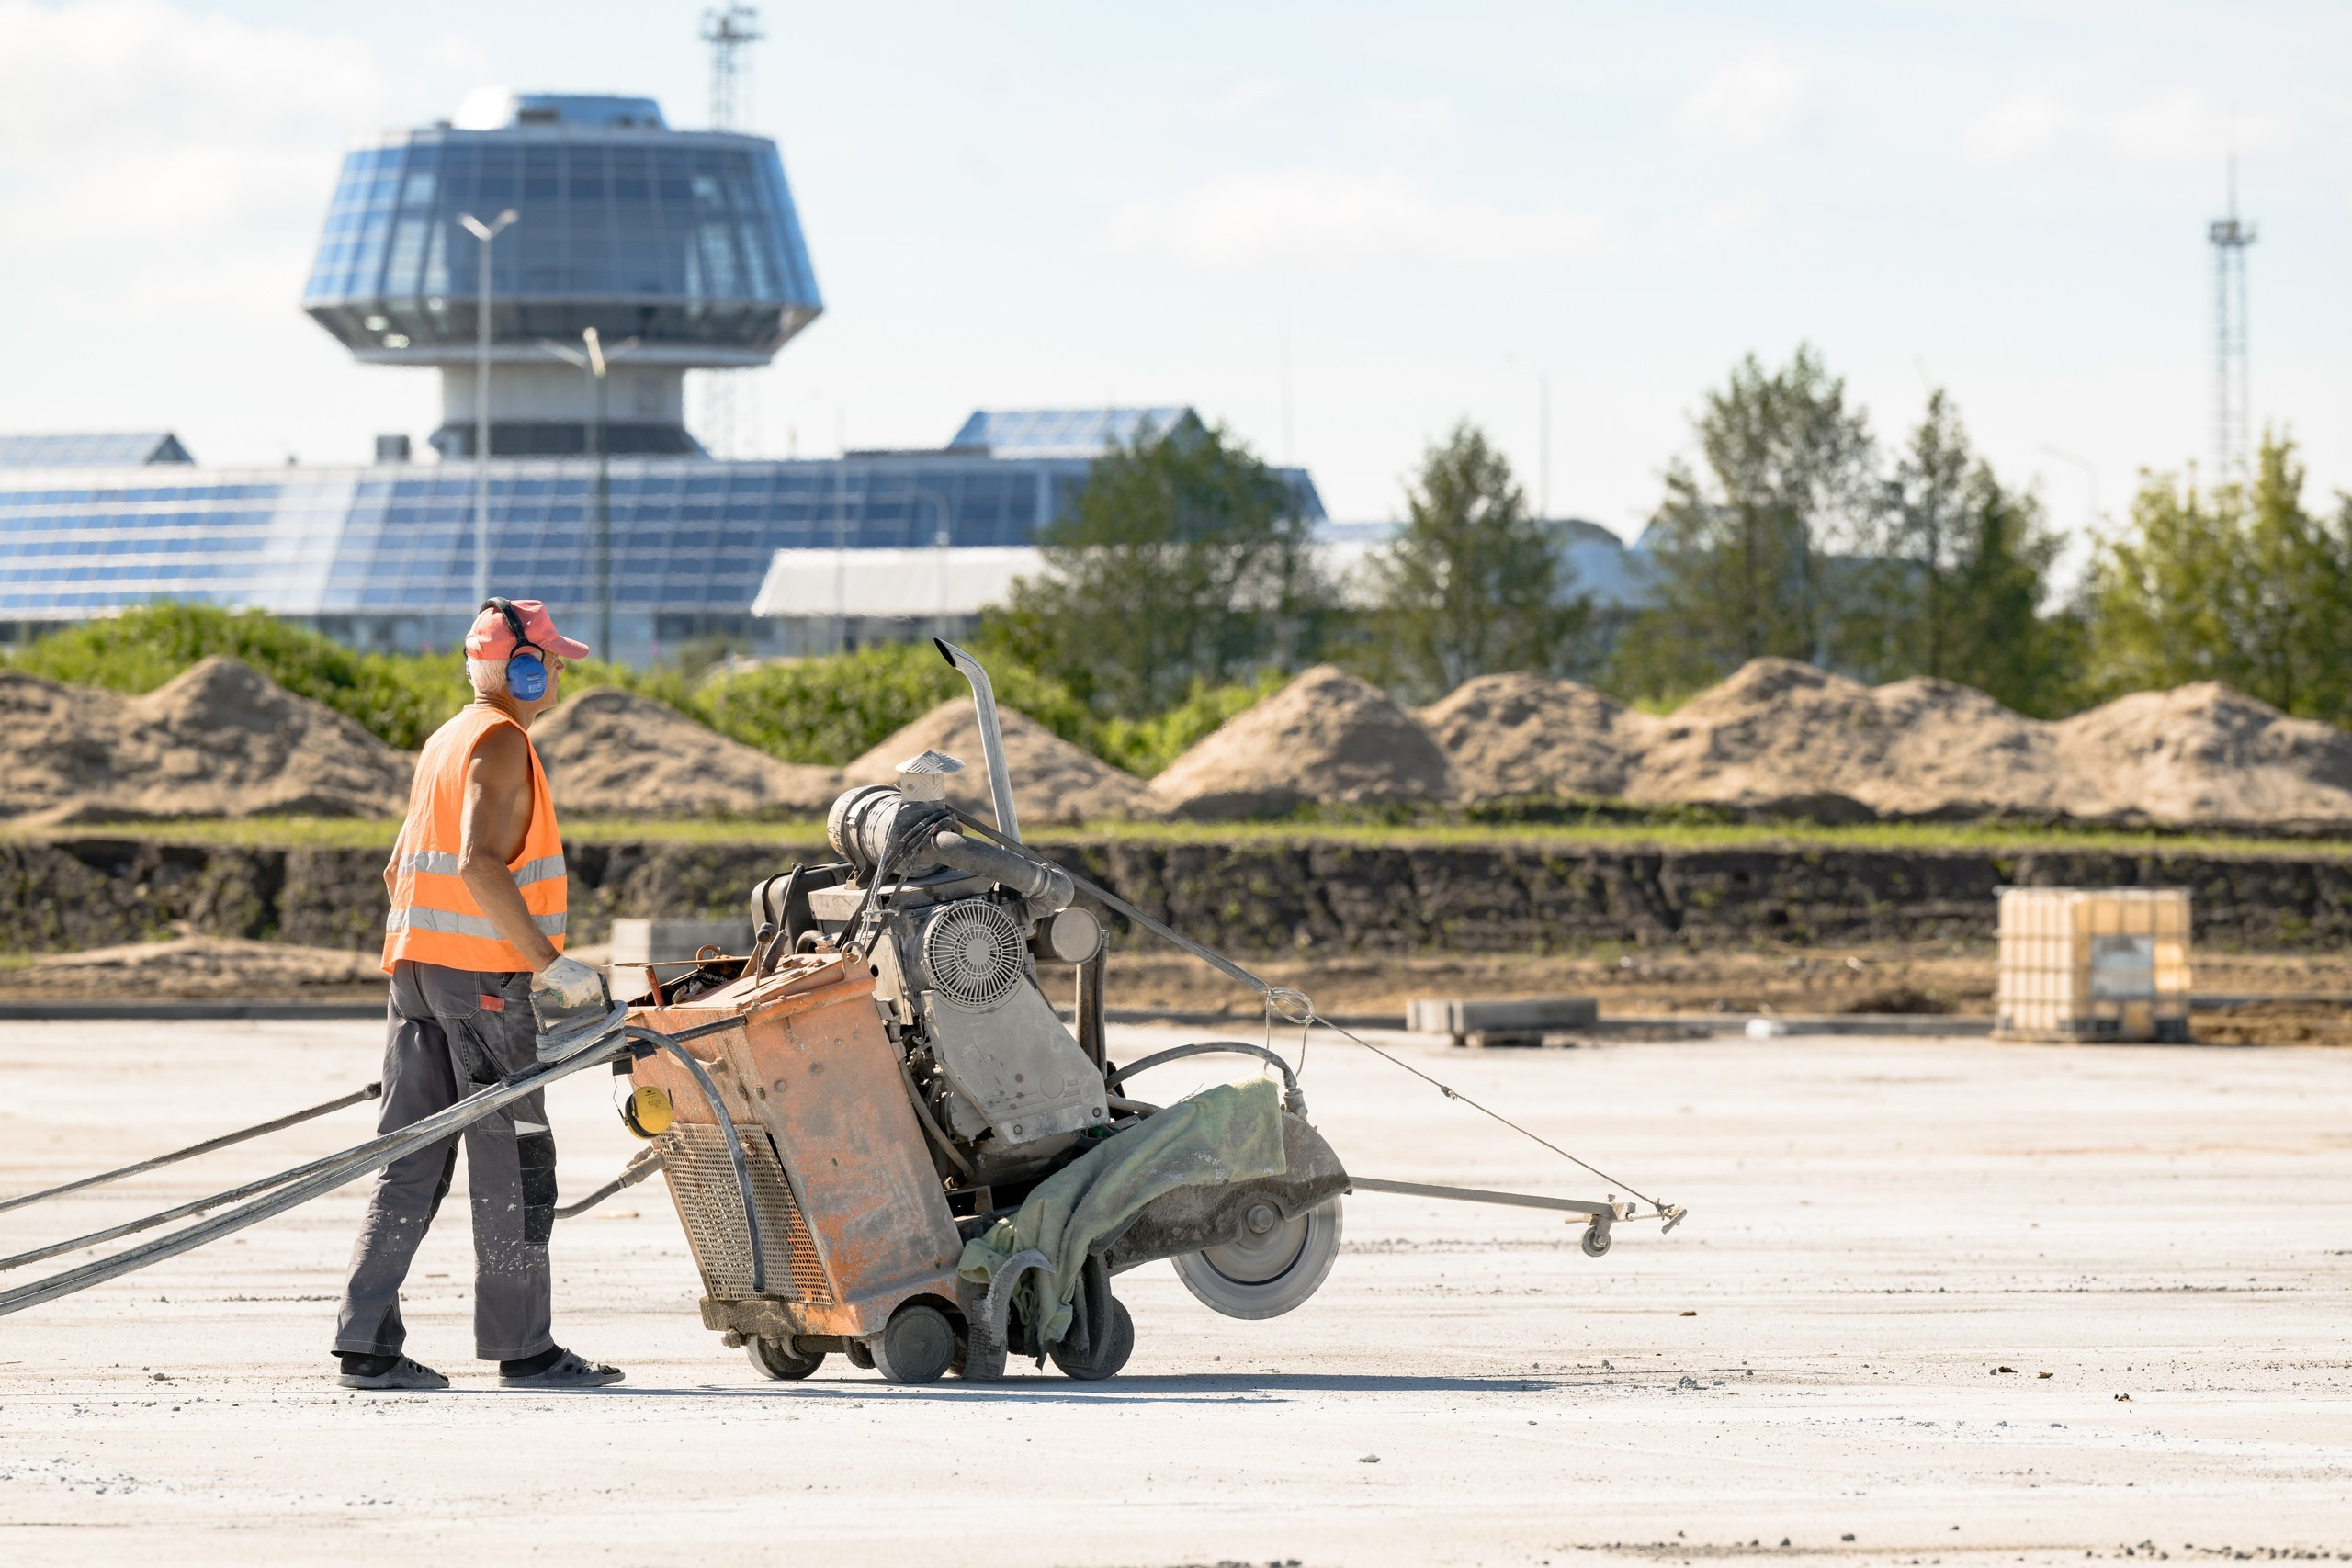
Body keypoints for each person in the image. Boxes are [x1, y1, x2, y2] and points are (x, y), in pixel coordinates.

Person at [331, 597, 622, 1392]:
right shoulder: (500, 741)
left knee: (409, 1156)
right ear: (521, 668)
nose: (557, 670)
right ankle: (523, 1346)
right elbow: (478, 864)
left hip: (417, 973)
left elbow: (400, 871)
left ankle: (366, 1341)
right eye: (550, 659)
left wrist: (432, 962)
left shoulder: (446, 739)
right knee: (516, 1159)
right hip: (485, 986)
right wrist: (549, 964)